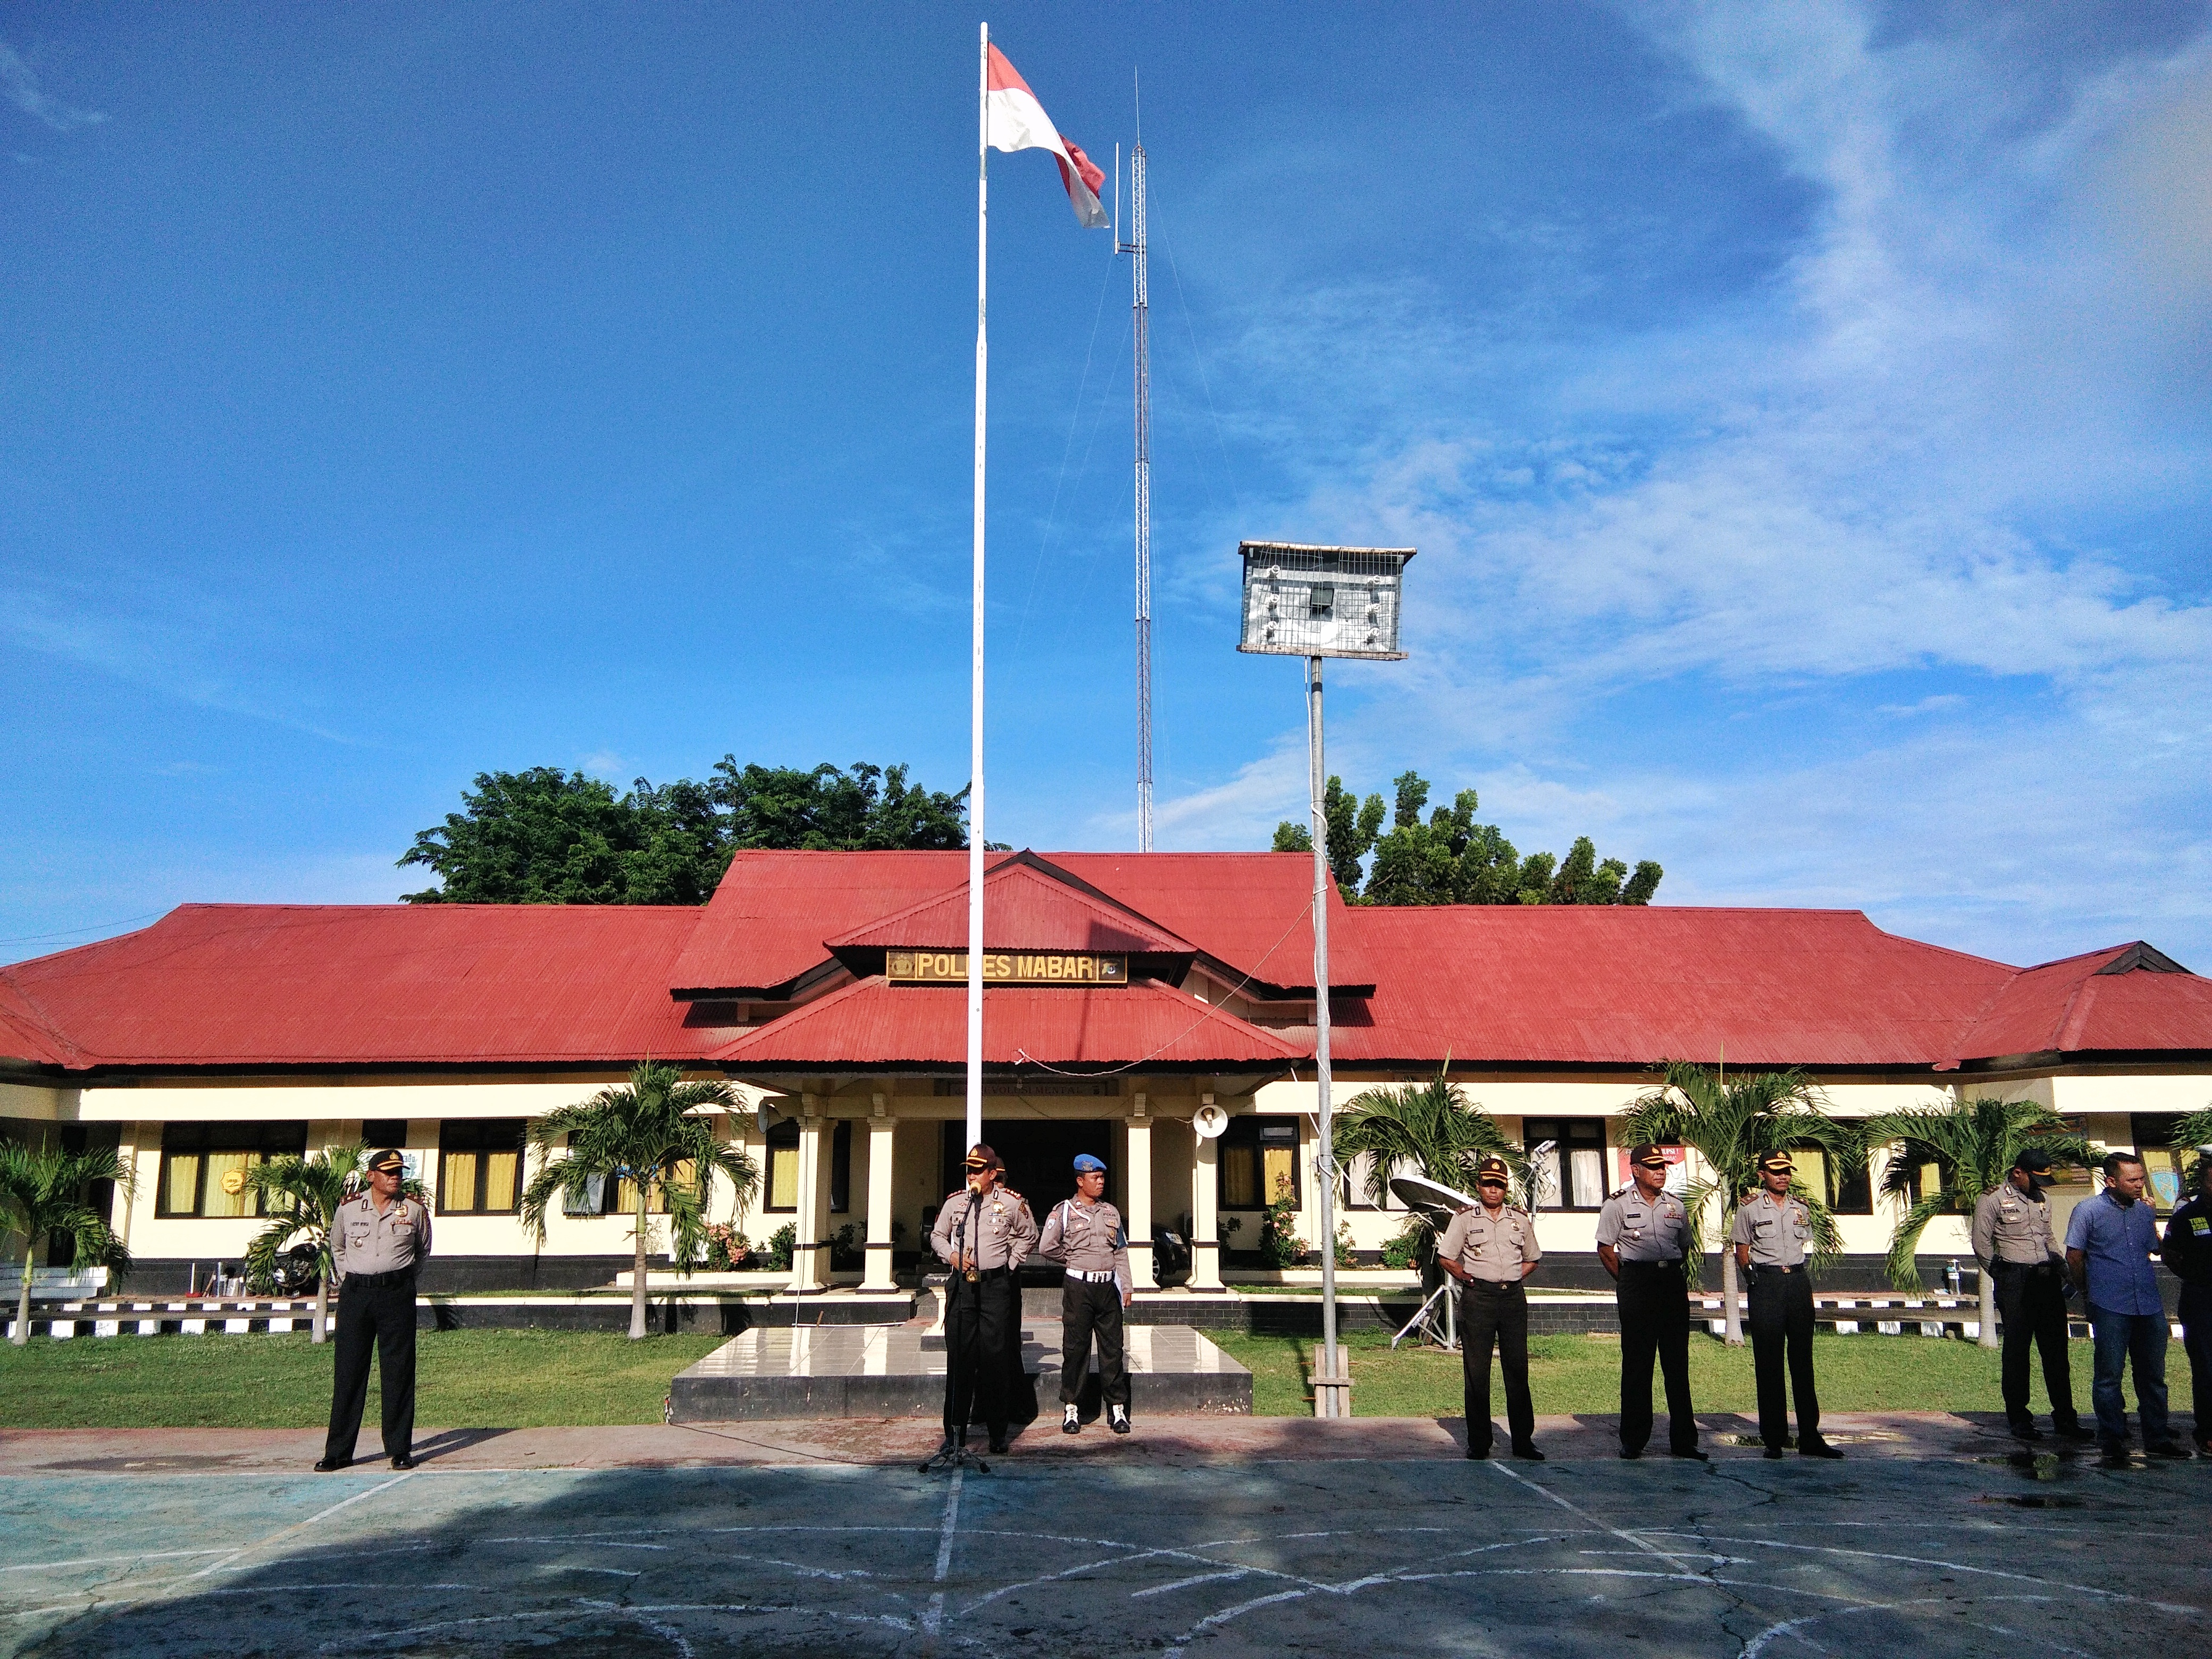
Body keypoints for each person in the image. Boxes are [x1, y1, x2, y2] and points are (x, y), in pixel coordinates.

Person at [316, 1148, 432, 1472]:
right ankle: (338, 1451)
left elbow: (422, 1251)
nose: (396, 1177)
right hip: (356, 1295)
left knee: (398, 1371)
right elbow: (337, 1246)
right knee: (349, 1372)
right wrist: (347, 1277)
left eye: (399, 1172)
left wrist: (402, 1279)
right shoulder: (349, 1208)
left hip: (396, 1293)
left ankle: (399, 1449)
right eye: (389, 1172)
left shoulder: (413, 1210)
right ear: (371, 1176)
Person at [1971, 1147, 2094, 1443]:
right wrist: (2002, 1274)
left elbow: (2048, 1236)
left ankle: (2065, 1418)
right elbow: (1981, 1243)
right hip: (2016, 1279)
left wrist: (2066, 1272)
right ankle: (2020, 1418)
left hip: (2047, 1279)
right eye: (2035, 1179)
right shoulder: (1993, 1199)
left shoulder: (2043, 1200)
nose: (2041, 1187)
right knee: (2017, 1351)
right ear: (2018, 1173)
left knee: (2056, 1352)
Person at [2068, 1151, 2185, 1459]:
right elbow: (2074, 1257)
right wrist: (2086, 1291)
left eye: (2142, 1179)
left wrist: (2159, 1232)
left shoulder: (2144, 1212)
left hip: (2147, 1304)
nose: (2139, 1185)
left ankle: (2157, 1437)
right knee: (2109, 1375)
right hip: (2110, 1303)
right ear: (2111, 1181)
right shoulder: (2088, 1211)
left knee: (2153, 1376)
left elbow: (2154, 1249)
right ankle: (2112, 1437)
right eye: (2132, 1180)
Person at [1597, 1145, 1705, 1461]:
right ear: (1636, 1170)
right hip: (1636, 1283)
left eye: (1664, 1166)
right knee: (1637, 1364)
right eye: (1653, 1166)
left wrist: (1664, 1273)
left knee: (1677, 1365)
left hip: (1670, 1284)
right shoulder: (1616, 1205)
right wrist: (1629, 1280)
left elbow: (1683, 1246)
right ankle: (1633, 1440)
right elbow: (1605, 1249)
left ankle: (1684, 1441)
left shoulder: (1676, 1206)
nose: (1661, 1171)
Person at [928, 1144, 1037, 1456]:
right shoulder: (956, 1204)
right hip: (963, 1287)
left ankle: (998, 1433)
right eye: (969, 1169)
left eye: (978, 1170)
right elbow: (937, 1235)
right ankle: (954, 1433)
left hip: (995, 1288)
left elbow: (1029, 1235)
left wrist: (1011, 1264)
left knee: (995, 1361)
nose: (971, 1175)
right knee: (960, 1361)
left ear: (992, 1174)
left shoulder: (1012, 1203)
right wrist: (951, 1255)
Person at [1732, 1150, 1840, 1459]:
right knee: (1769, 1363)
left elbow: (1804, 1241)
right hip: (1766, 1284)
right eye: (1776, 1171)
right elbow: (1742, 1247)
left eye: (1787, 1171)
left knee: (1803, 1362)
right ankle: (1774, 1439)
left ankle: (1810, 1436)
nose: (1783, 1176)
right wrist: (1752, 1278)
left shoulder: (1800, 1209)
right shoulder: (1750, 1208)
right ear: (1762, 1175)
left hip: (1797, 1281)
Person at [1437, 1154, 1543, 1461]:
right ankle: (1479, 1442)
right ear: (1478, 1186)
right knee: (1477, 1371)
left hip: (1511, 1299)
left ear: (1506, 1188)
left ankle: (1523, 1440)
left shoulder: (1519, 1220)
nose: (1493, 1190)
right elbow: (1447, 1256)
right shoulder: (1465, 1218)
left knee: (1517, 1369)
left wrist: (1509, 1277)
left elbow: (1533, 1258)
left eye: (1498, 1185)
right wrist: (1467, 1278)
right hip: (1478, 1297)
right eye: (1487, 1184)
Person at [1037, 1151, 1133, 1436]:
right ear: (1081, 1181)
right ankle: (1071, 1408)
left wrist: (1126, 1285)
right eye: (1095, 1178)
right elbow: (1046, 1246)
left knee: (1112, 1349)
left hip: (1108, 1289)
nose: (1101, 1182)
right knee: (1076, 1349)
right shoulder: (1064, 1211)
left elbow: (1121, 1252)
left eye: (1102, 1177)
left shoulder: (1111, 1212)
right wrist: (1072, 1258)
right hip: (1079, 1287)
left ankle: (1117, 1409)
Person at [2159, 1146, 2212, 1455]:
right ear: (2203, 1184)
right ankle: (2207, 1432)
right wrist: (2197, 1276)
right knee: (2206, 1368)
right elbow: (2171, 1255)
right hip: (2202, 1299)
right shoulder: (2187, 1216)